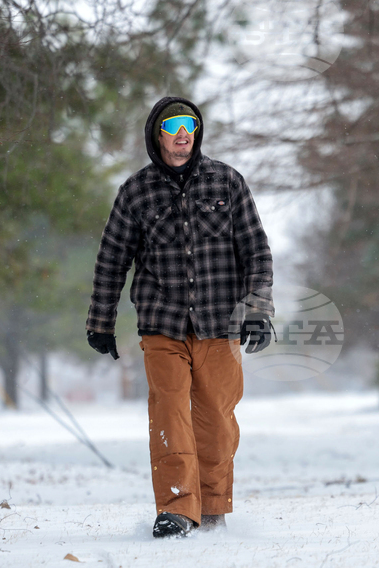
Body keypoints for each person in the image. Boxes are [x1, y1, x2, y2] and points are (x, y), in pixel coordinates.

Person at [85, 96, 276, 538]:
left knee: (216, 420)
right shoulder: (136, 191)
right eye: (173, 126)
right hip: (162, 323)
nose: (182, 133)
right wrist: (100, 321)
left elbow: (257, 253)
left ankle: (211, 509)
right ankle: (176, 508)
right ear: (158, 135)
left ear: (197, 132)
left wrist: (258, 311)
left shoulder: (227, 183)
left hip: (219, 323)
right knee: (170, 415)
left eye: (189, 124)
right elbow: (112, 260)